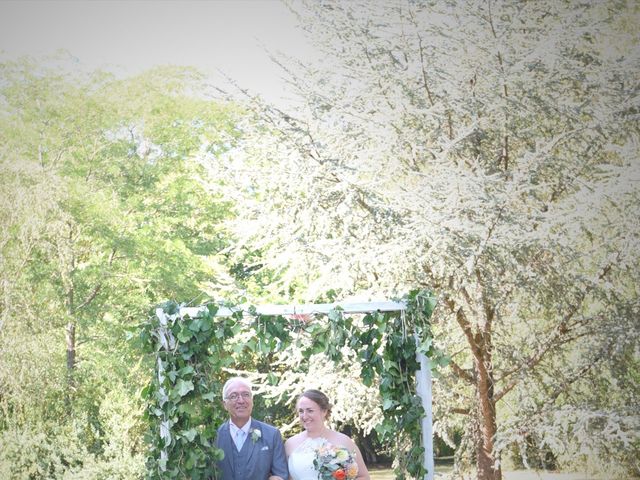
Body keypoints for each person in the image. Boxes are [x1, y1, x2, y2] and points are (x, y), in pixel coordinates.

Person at [285, 389, 370, 480]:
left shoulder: (344, 440)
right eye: (301, 411)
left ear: (324, 411)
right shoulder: (290, 444)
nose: (304, 416)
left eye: (310, 410)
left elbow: (363, 476)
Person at [214, 376, 288, 480]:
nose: (241, 400)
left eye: (245, 395)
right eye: (234, 396)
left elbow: (280, 475)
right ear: (225, 404)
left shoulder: (272, 435)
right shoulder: (214, 437)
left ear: (252, 401)